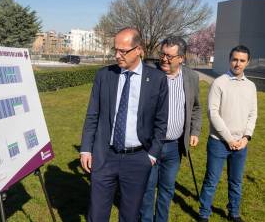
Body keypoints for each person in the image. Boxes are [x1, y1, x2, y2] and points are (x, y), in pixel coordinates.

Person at [80, 27, 169, 222]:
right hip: (104, 156)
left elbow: (161, 122)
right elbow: (92, 115)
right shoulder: (104, 75)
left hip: (138, 159)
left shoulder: (157, 79)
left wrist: (152, 155)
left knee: (130, 215)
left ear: (139, 49)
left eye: (123, 50)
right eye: (115, 49)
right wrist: (86, 149)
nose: (117, 55)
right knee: (96, 215)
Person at [139, 36, 202, 222]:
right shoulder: (149, 73)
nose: (164, 59)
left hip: (175, 147)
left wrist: (195, 131)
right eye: (162, 54)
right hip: (150, 145)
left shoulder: (191, 77)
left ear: (181, 58)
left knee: (167, 189)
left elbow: (196, 107)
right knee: (148, 188)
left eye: (170, 56)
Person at [198, 45, 257, 222]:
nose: (237, 63)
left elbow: (253, 113)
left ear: (248, 62)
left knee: (236, 182)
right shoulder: (219, 82)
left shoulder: (251, 86)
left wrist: (246, 137)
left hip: (241, 144)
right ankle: (204, 214)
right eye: (235, 59)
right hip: (219, 142)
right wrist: (229, 139)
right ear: (229, 60)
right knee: (211, 181)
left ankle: (234, 213)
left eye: (242, 60)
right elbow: (212, 113)